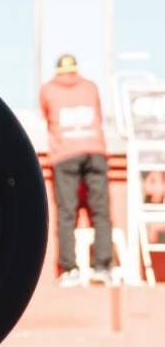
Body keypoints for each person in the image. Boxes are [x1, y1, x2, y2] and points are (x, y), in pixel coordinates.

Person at [40, 54, 113, 285]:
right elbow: (99, 116)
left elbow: (46, 117)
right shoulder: (90, 87)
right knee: (100, 212)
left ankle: (69, 269)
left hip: (65, 154)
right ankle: (103, 267)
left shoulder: (48, 89)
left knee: (66, 213)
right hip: (95, 151)